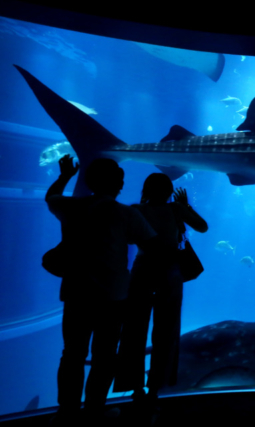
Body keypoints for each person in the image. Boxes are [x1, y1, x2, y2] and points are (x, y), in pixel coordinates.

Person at [46, 155, 159, 424]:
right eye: (120, 178)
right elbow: (153, 246)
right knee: (104, 357)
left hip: (76, 293)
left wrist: (65, 176)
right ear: (117, 183)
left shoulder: (71, 207)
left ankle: (67, 413)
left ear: (88, 180)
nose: (122, 182)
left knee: (72, 354)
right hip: (113, 296)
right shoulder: (126, 213)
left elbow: (51, 197)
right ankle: (94, 410)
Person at [114, 173, 208, 406]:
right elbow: (203, 227)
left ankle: (135, 388)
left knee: (134, 330)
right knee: (166, 330)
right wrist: (185, 206)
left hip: (142, 271)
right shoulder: (176, 208)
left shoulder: (135, 209)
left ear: (146, 189)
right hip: (170, 273)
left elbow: (124, 239)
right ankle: (157, 387)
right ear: (169, 190)